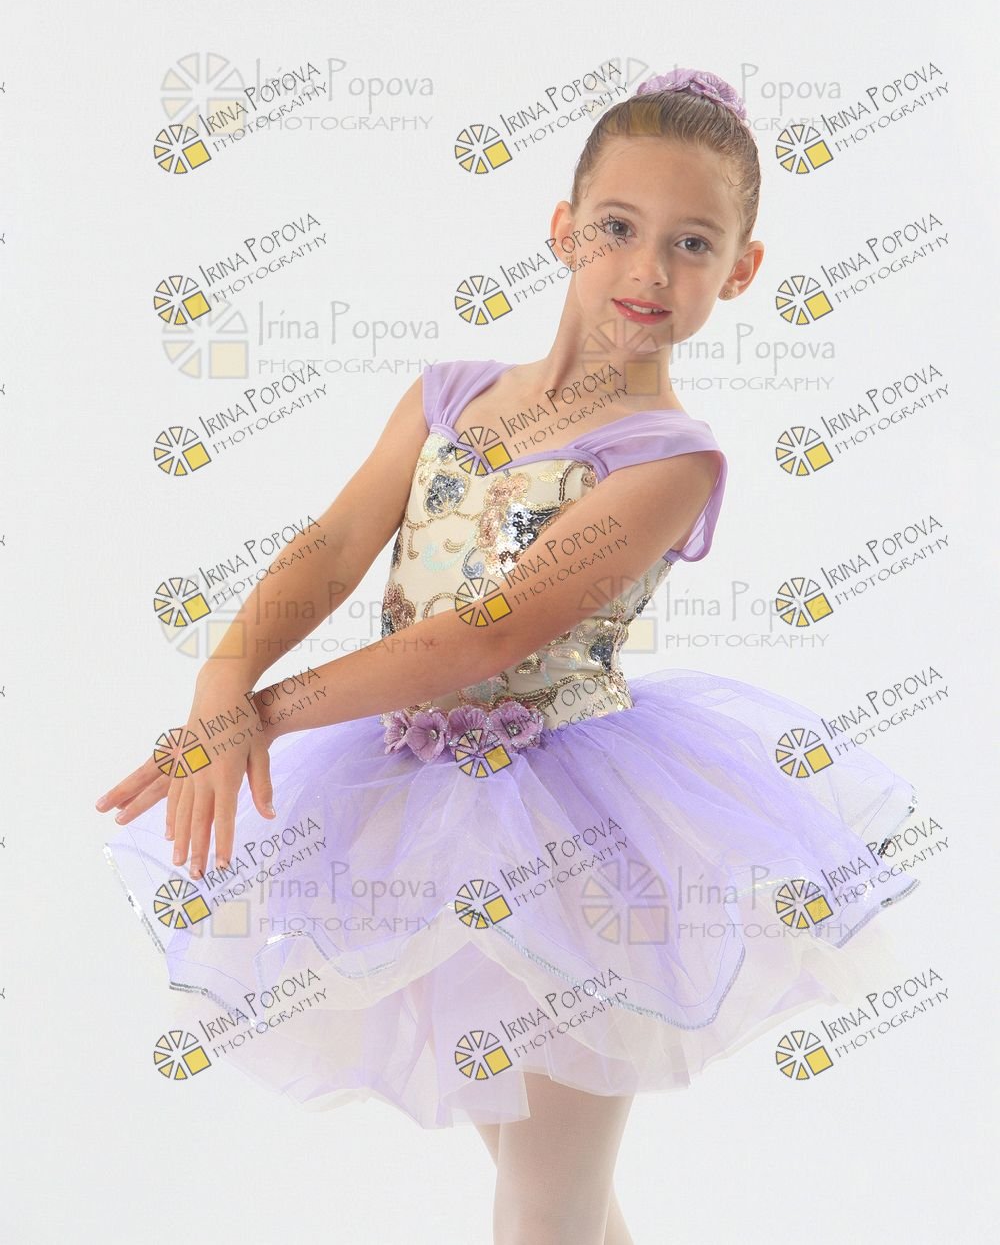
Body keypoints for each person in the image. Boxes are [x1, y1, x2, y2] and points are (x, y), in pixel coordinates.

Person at [96, 67, 921, 1245]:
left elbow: (484, 633)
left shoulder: (669, 461)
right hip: (419, 818)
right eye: (618, 228)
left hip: (573, 840)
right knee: (559, 1198)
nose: (649, 269)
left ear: (740, 270)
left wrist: (259, 717)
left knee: (547, 1206)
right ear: (563, 229)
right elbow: (332, 548)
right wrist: (219, 680)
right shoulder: (449, 396)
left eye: (691, 244)